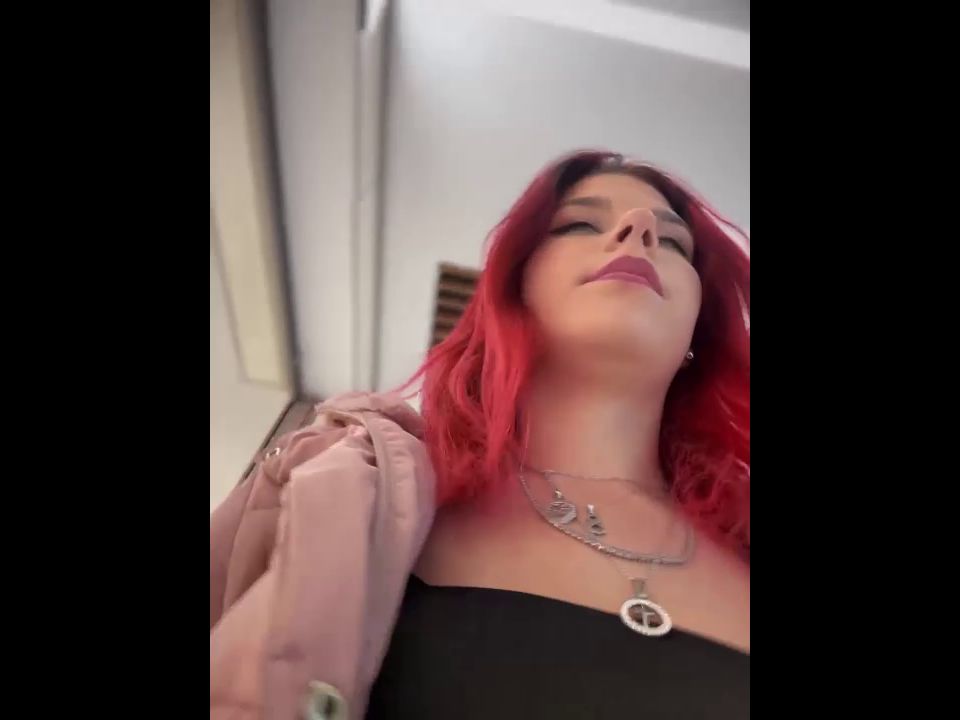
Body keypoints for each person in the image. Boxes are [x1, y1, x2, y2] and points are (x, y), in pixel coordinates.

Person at [210, 150, 750, 720]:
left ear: (698, 328)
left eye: (674, 242)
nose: (639, 229)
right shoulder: (338, 484)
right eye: (579, 225)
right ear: (513, 292)